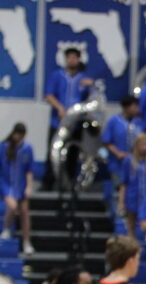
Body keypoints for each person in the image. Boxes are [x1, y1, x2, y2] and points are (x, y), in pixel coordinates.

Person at [43, 47, 92, 190]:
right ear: (65, 59)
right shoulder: (57, 76)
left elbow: (89, 101)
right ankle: (48, 182)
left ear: (78, 59)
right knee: (52, 152)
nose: (72, 60)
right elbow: (49, 94)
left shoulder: (83, 79)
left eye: (74, 57)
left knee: (72, 153)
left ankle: (69, 182)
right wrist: (59, 107)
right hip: (58, 122)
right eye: (69, 57)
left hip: (76, 123)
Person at [0, 123, 35, 253]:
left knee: (25, 213)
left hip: (21, 184)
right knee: (13, 206)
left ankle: (27, 242)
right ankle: (6, 229)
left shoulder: (27, 148)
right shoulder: (4, 147)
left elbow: (29, 170)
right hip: (6, 183)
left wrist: (29, 187)